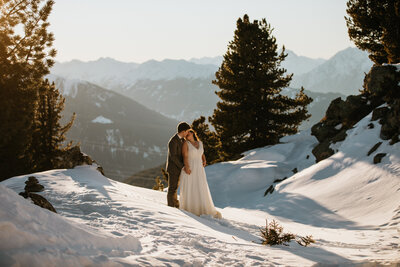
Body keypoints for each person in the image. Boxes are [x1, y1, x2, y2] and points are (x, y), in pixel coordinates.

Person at [179, 129, 222, 219]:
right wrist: (187, 167)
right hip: (190, 168)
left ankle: (202, 208)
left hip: (199, 169)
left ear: (193, 133)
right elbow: (185, 156)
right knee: (192, 187)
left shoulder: (200, 143)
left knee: (200, 187)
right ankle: (192, 209)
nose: (187, 135)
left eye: (189, 132)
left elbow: (201, 153)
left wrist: (204, 159)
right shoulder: (186, 144)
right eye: (186, 134)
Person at [166, 122, 191, 207]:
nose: (188, 133)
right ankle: (171, 206)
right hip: (173, 168)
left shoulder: (183, 140)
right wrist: (182, 167)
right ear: (183, 131)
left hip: (179, 168)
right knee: (172, 188)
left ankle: (175, 204)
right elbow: (173, 157)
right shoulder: (173, 141)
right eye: (187, 131)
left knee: (176, 188)